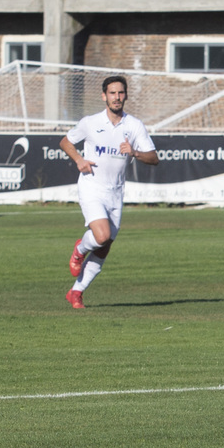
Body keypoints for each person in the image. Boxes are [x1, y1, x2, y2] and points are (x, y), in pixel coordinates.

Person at [60, 75, 159, 309]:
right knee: (101, 235)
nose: (117, 97)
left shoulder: (134, 125)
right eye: (112, 93)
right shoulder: (90, 122)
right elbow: (65, 142)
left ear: (125, 95)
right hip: (91, 186)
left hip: (116, 192)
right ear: (104, 96)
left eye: (121, 93)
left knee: (104, 246)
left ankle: (76, 292)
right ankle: (79, 249)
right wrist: (78, 160)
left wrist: (134, 153)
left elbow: (154, 158)